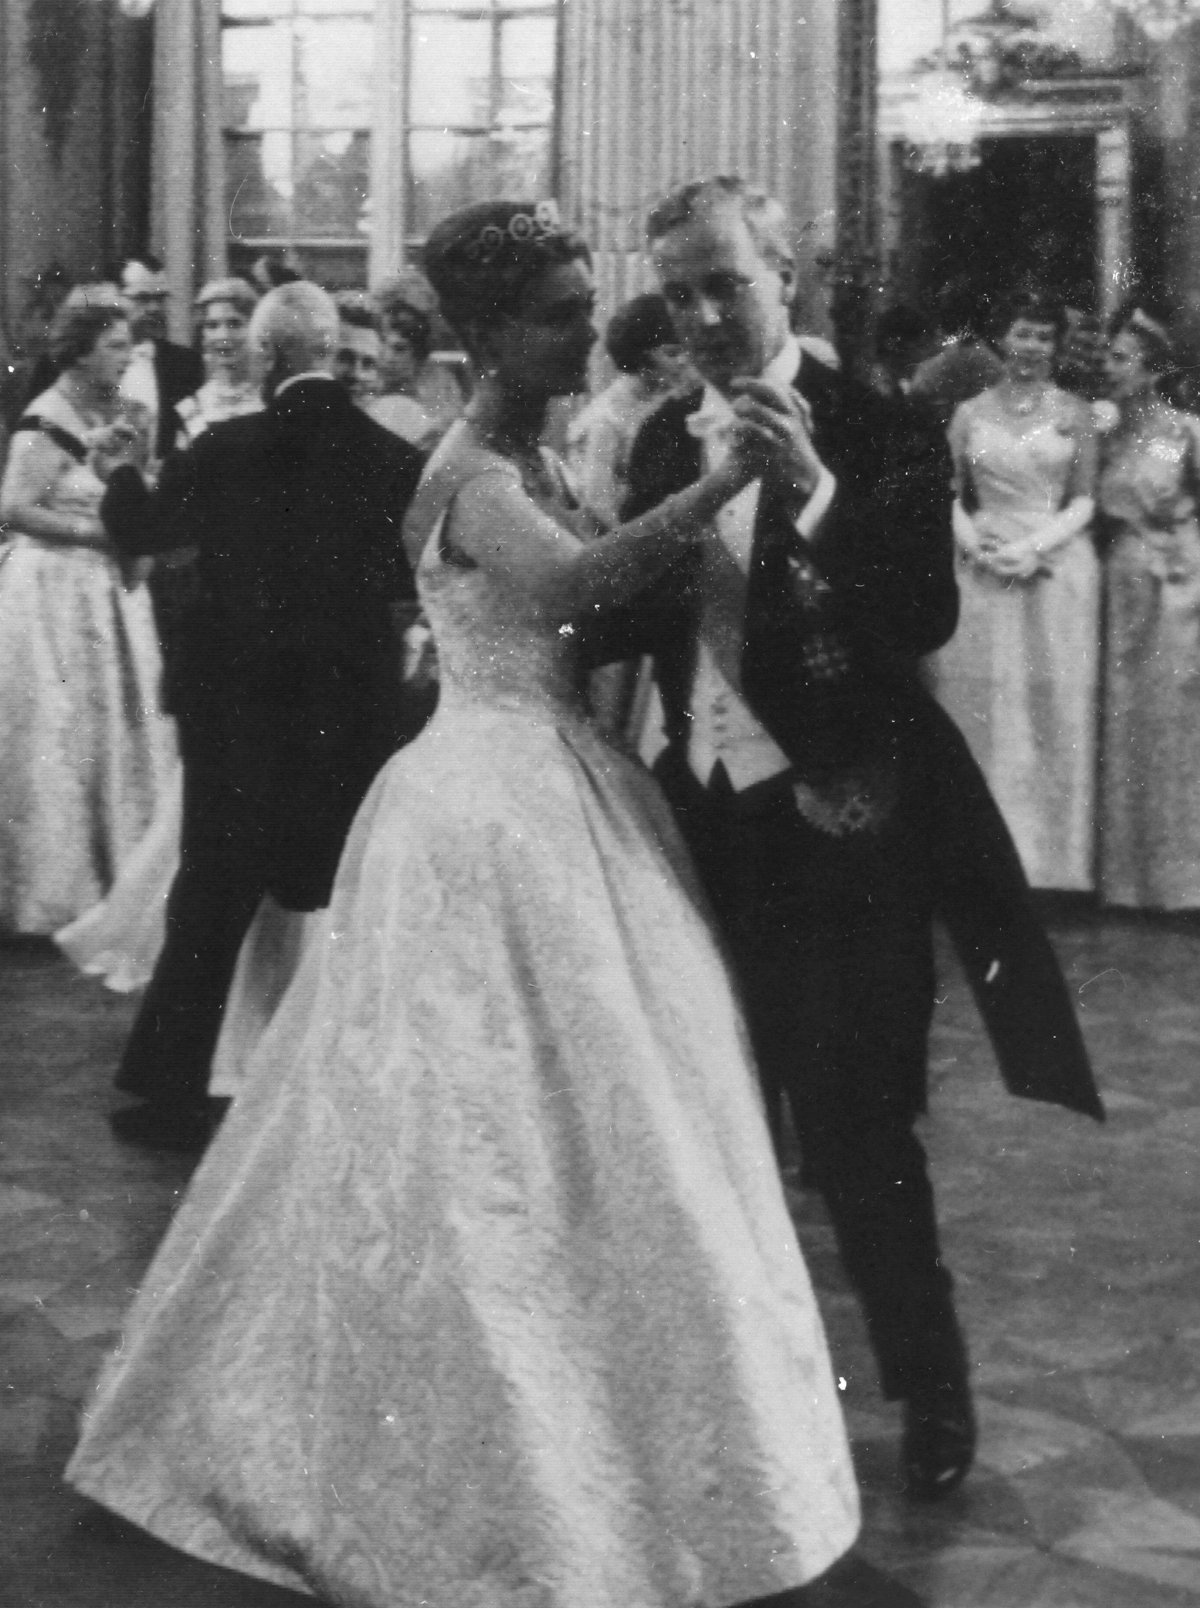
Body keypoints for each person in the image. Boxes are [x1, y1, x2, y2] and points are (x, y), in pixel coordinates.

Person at [66, 199, 860, 1606]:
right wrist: (721, 486)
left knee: (605, 1112)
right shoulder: (471, 461)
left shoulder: (543, 447)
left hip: (564, 783)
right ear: (488, 332)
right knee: (474, 1129)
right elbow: (570, 589)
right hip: (488, 799)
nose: (586, 326)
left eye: (577, 302)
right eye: (557, 309)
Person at [615, 176, 1103, 1501]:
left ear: (787, 270)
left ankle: (929, 1387)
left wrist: (818, 490)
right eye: (680, 293)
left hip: (849, 829)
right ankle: (752, 1403)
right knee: (718, 1123)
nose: (707, 314)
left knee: (859, 1128)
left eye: (728, 281)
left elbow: (925, 618)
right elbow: (633, 618)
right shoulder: (664, 440)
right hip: (700, 825)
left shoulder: (884, 427)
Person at [96, 281, 428, 1151]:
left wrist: (119, 471)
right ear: (328, 353)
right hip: (348, 713)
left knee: (210, 898)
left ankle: (171, 1091)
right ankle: (357, 1078)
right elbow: (410, 584)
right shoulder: (392, 460)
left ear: (270, 355)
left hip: (236, 710)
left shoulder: (224, 448)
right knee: (343, 895)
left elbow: (144, 530)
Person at [55, 277, 264, 992]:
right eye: (210, 328)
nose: (222, 338)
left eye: (235, 324)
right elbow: (160, 497)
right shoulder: (183, 408)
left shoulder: (269, 409)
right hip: (189, 584)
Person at [0, 301, 175, 935]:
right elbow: (14, 507)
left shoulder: (116, 415)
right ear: (79, 353)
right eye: (115, 346)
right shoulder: (44, 419)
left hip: (102, 591)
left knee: (112, 723)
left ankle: (116, 877)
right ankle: (59, 887)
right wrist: (96, 533)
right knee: (61, 727)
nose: (128, 357)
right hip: (53, 590)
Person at [931, 289, 1100, 892]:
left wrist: (1034, 548)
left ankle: (1050, 865)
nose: (1031, 347)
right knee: (986, 708)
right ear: (1003, 338)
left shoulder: (1076, 412)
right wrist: (977, 544)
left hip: (1053, 568)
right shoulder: (970, 412)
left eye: (1043, 337)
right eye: (1022, 333)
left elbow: (1084, 498)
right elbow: (948, 492)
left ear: (1057, 346)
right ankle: (980, 862)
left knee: (1049, 707)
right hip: (983, 565)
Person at [1096, 307, 1200, 909]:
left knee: (1174, 723)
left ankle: (1182, 881)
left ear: (1153, 369)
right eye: (1106, 357)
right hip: (1122, 582)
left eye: (1121, 358)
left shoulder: (1185, 430)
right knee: (1125, 722)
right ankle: (1126, 882)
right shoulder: (1103, 432)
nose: (1109, 368)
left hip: (1178, 584)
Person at [565, 291, 693, 525]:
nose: (684, 360)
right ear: (641, 358)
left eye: (687, 349)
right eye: (673, 353)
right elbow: (598, 504)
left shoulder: (668, 399)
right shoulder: (607, 420)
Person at [374, 266, 466, 437]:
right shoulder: (371, 373)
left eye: (400, 311)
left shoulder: (439, 381)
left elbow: (446, 430)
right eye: (388, 311)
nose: (394, 318)